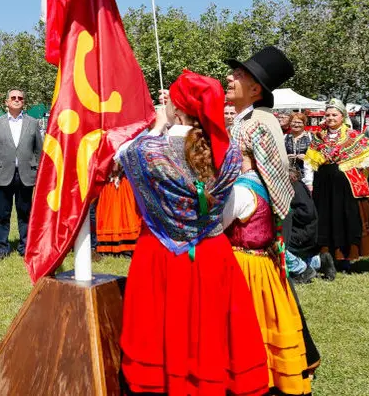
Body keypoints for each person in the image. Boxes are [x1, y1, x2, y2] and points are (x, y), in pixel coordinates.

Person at [119, 70, 268, 396]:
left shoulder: (149, 150)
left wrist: (158, 125)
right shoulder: (228, 153)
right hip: (211, 252)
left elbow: (123, 153)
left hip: (159, 252)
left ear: (178, 107)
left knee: (159, 328)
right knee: (208, 329)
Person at [225, 45, 320, 376]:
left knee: (271, 290)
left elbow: (272, 174)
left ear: (255, 89)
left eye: (238, 75)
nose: (229, 78)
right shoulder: (243, 120)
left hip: (255, 214)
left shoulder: (259, 122)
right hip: (244, 211)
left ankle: (289, 356)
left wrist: (268, 222)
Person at [225, 120, 313, 395]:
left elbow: (217, 225)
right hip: (267, 264)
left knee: (248, 326)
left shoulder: (240, 190)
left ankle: (253, 376)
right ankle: (275, 374)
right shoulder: (267, 184)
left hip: (244, 265)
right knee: (270, 321)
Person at [303, 99, 369, 273]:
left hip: (345, 187)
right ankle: (326, 255)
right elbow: (310, 162)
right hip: (323, 185)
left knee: (343, 218)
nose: (331, 118)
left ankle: (345, 256)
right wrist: (309, 182)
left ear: (342, 116)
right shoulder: (318, 137)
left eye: (334, 114)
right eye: (328, 115)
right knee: (324, 218)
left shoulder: (352, 136)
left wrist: (358, 164)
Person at [0, 89, 42, 260]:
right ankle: (2, 247)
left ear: (23, 102)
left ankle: (24, 246)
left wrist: (40, 172)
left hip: (26, 174)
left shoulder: (33, 123)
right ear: (6, 102)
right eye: (13, 98)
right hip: (3, 174)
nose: (17, 100)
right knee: (3, 214)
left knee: (25, 213)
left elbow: (39, 150)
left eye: (20, 98)